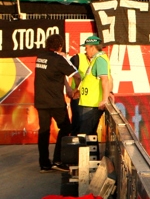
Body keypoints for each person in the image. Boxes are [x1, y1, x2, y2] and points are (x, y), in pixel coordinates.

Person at [33, 34, 80, 172]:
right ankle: (58, 160)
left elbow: (58, 74)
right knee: (66, 128)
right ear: (60, 46)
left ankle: (44, 164)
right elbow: (76, 75)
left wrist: (68, 87)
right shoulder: (59, 60)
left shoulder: (40, 57)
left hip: (41, 102)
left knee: (44, 132)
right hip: (55, 102)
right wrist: (75, 90)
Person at [76, 35, 113, 141]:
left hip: (92, 105)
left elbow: (105, 79)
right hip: (89, 103)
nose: (85, 50)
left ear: (93, 47)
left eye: (86, 47)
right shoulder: (97, 59)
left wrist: (105, 99)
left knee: (85, 135)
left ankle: (85, 157)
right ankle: (90, 157)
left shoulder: (99, 60)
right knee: (90, 136)